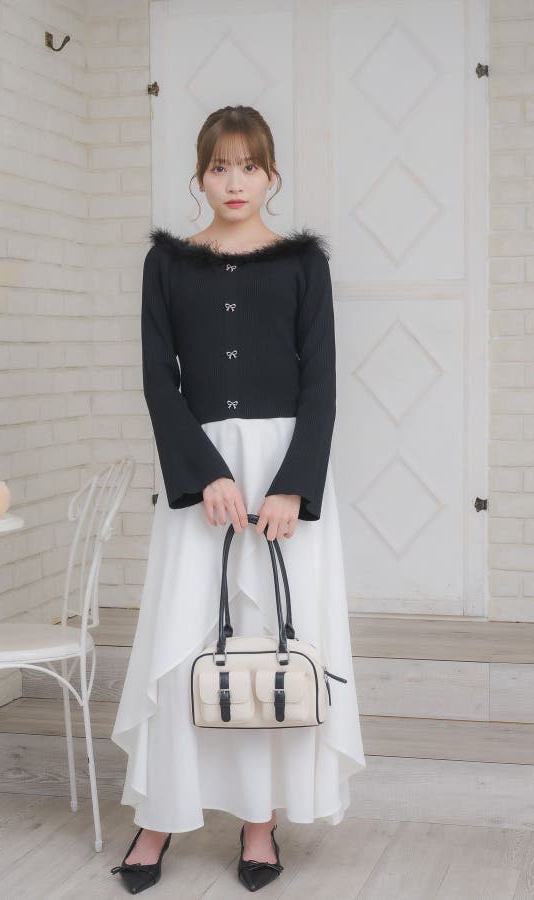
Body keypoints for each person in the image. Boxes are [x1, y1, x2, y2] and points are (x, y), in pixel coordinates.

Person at [109, 105, 366, 894]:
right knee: (184, 634)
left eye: (248, 166)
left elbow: (321, 382)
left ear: (271, 176)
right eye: (219, 166)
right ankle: (160, 817)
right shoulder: (167, 265)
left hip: (285, 469)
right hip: (203, 473)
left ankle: (260, 822)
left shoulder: (303, 265)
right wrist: (204, 473)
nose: (234, 181)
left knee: (272, 639)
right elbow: (159, 381)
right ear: (200, 175)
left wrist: (294, 485)